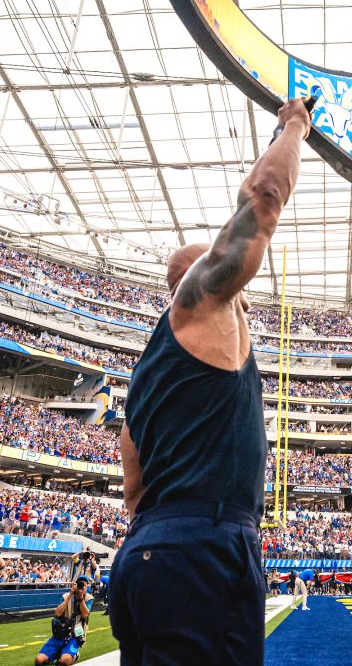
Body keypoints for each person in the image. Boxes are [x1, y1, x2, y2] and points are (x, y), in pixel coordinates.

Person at [108, 98, 311, 666]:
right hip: (203, 546)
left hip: (150, 548)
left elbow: (133, 494)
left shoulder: (146, 380)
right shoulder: (204, 304)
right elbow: (263, 199)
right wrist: (293, 125)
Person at [36, 576, 93, 665]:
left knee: (64, 661)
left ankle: (74, 655)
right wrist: (71, 594)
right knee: (39, 661)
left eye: (84, 585)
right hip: (60, 633)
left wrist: (80, 597)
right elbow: (57, 613)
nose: (82, 587)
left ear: (87, 587)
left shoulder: (88, 598)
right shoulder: (66, 596)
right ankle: (57, 654)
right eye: (80, 584)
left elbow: (85, 614)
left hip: (75, 635)